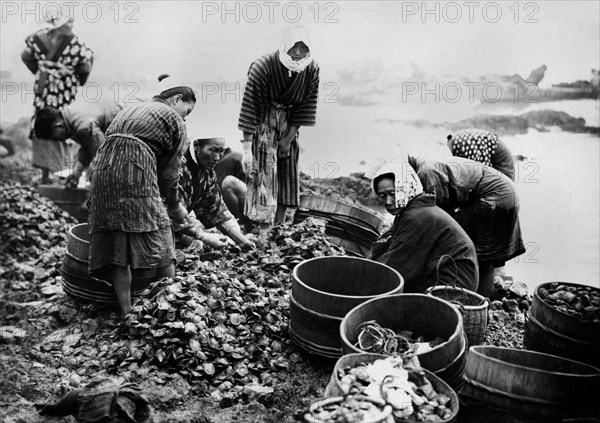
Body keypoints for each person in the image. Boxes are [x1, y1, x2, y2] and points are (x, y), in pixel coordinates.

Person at [88, 74, 196, 316]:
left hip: (103, 171)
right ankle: (170, 305)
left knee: (117, 242)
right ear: (177, 99)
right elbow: (170, 173)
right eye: (186, 111)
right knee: (162, 233)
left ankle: (127, 312)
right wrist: (173, 204)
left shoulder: (130, 109)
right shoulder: (175, 121)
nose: (185, 117)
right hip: (134, 168)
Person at [239, 24, 319, 236]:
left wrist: (288, 139)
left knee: (287, 173)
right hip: (263, 119)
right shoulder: (262, 66)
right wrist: (247, 148)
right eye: (295, 49)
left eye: (303, 50)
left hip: (289, 121)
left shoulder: (312, 69)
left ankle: (279, 227)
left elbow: (306, 106)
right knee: (263, 173)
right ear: (286, 47)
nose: (298, 54)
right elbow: (249, 107)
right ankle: (262, 229)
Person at [408, 155, 525, 296]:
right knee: (481, 252)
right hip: (504, 192)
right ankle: (479, 295)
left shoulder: (426, 173)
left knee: (483, 254)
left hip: (494, 197)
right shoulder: (425, 163)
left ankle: (478, 300)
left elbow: (438, 216)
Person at [369, 162, 479, 293]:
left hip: (452, 288)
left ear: (407, 187)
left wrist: (363, 278)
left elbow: (396, 268)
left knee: (384, 289)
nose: (388, 201)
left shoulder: (417, 217)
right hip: (442, 277)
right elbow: (387, 244)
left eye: (393, 193)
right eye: (382, 196)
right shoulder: (411, 211)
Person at [21, 10, 94, 183]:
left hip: (55, 90)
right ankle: (47, 175)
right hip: (55, 89)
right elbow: (84, 67)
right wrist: (75, 77)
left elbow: (27, 56)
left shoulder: (43, 40)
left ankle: (61, 173)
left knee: (60, 127)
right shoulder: (73, 44)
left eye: (71, 22)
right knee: (45, 125)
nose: (70, 26)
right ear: (57, 25)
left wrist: (41, 70)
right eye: (67, 23)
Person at [174, 138, 255, 251]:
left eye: (221, 151)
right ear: (197, 146)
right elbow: (173, 213)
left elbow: (215, 209)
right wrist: (204, 237)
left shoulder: (207, 172)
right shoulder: (177, 167)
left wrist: (242, 240)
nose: (217, 157)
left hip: (179, 224)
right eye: (213, 150)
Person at [33, 103, 123, 188]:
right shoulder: (69, 117)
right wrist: (76, 173)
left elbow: (105, 155)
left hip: (130, 124)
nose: (58, 141)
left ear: (59, 126)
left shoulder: (83, 126)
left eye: (54, 138)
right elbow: (87, 145)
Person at [447, 128, 515, 181]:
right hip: (497, 155)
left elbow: (478, 172)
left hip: (502, 164)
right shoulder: (456, 139)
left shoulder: (464, 144)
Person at [214, 147, 255, 232]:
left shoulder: (225, 161)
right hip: (254, 204)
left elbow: (218, 191)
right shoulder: (236, 155)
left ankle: (239, 224)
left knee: (227, 183)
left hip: (251, 207)